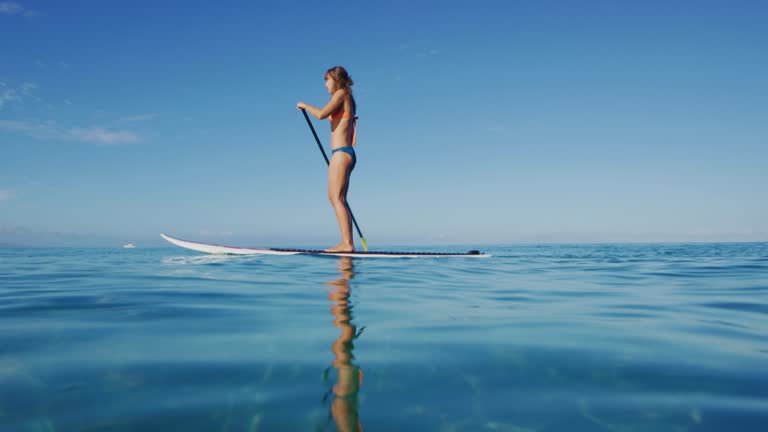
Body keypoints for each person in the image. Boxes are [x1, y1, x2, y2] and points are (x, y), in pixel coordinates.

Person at [297, 66, 358, 253]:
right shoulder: (346, 96)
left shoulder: (342, 93)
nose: (325, 84)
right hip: (341, 153)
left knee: (337, 198)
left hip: (341, 153)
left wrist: (304, 105)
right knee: (336, 198)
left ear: (336, 79)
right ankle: (346, 242)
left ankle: (347, 244)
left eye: (327, 80)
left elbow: (322, 114)